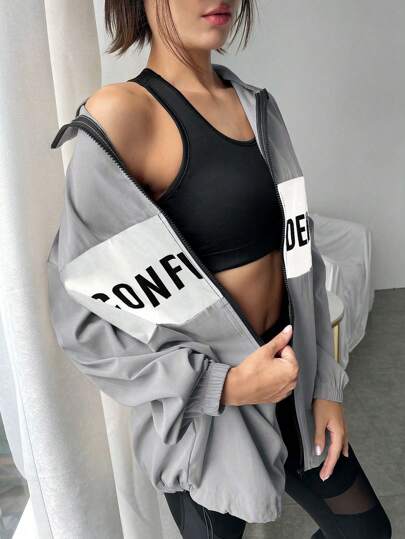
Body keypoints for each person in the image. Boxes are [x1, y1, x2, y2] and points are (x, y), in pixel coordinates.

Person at [48, 1, 392, 537]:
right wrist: (224, 386)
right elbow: (82, 317)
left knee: (366, 531)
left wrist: (326, 385)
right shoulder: (122, 114)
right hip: (209, 421)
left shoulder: (257, 106)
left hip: (294, 386)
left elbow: (301, 258)